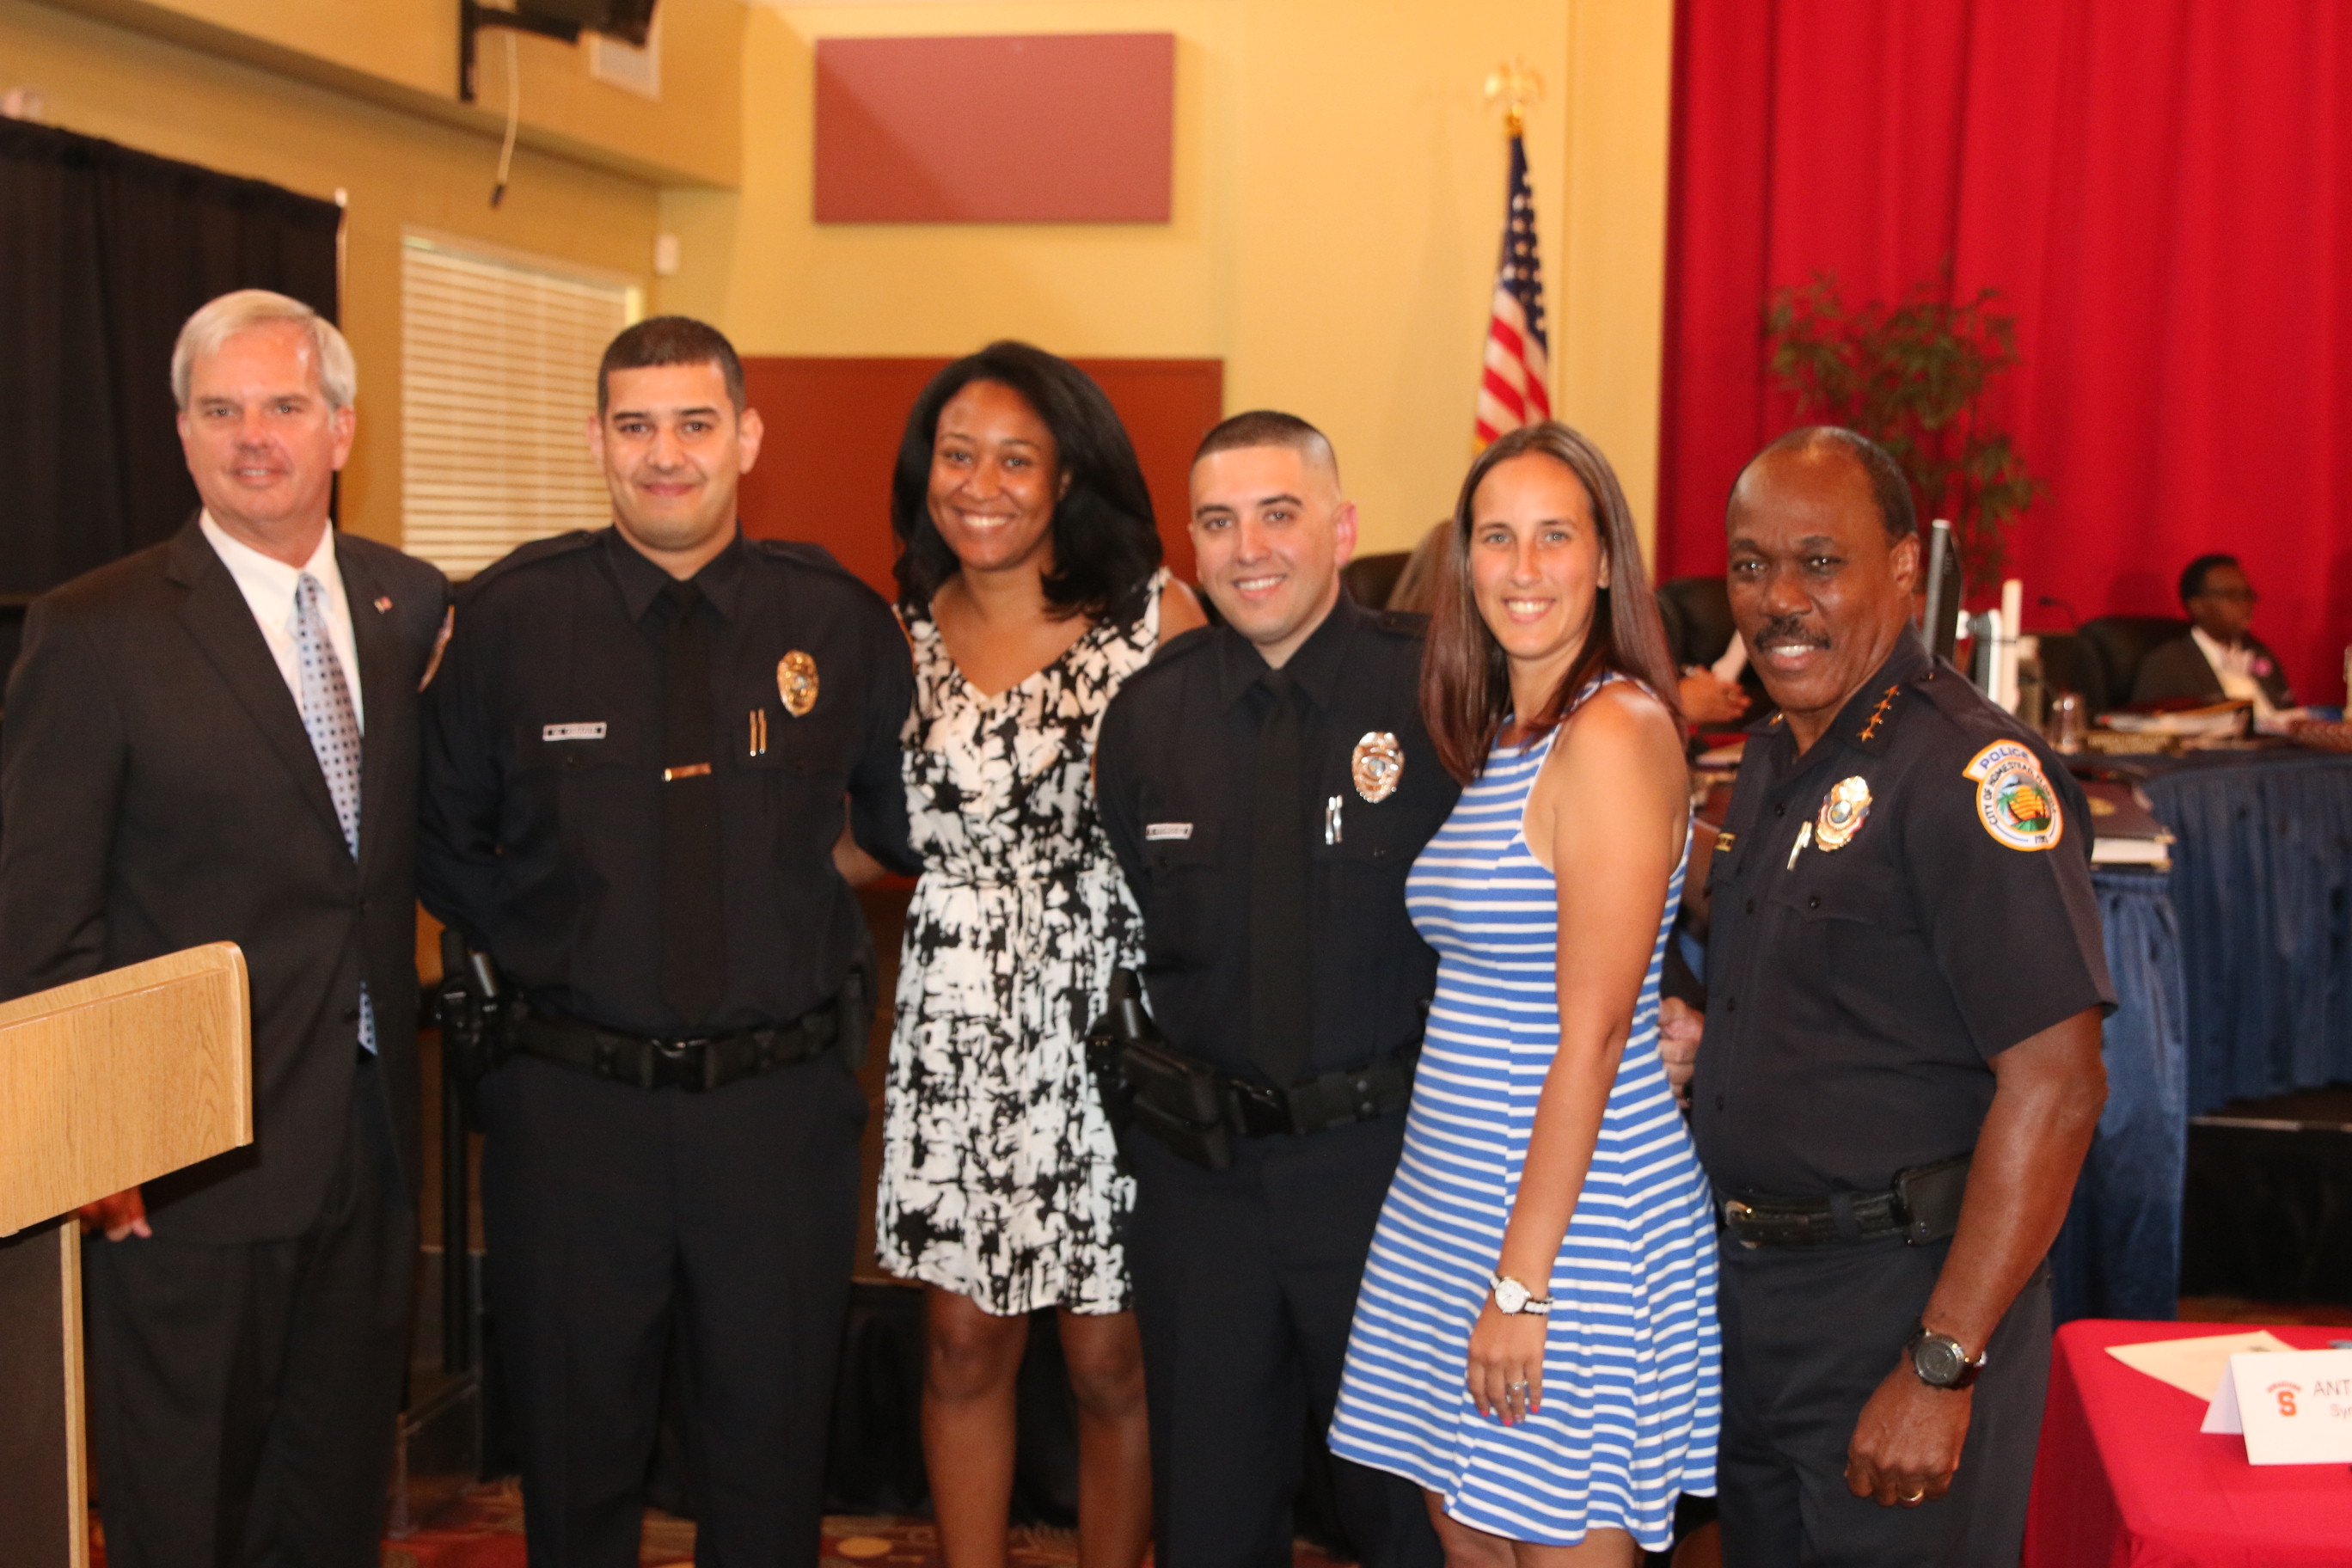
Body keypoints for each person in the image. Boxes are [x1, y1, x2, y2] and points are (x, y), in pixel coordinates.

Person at [419, 316, 918, 1566]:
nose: (665, 456)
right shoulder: (512, 622)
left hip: (778, 1116)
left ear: (746, 436)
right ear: (597, 441)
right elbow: (438, 839)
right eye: (635, 427)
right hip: (573, 1120)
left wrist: (793, 885)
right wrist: (548, 952)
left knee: (768, 1462)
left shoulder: (838, 622)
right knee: (576, 1467)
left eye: (695, 425)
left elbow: (906, 825)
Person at [0, 289, 449, 1567]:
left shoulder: (404, 606)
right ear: (183, 434)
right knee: (183, 1511)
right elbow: (39, 914)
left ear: (343, 427)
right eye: (221, 410)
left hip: (366, 1143)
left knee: (330, 1497)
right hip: (184, 1163)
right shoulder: (93, 631)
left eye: (285, 407)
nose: (255, 436)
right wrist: (94, 1140)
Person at [1692, 426, 2112, 1566]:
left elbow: (2059, 1085)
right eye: (1748, 565)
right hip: (1757, 1308)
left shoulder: (1972, 775)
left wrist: (1943, 1362)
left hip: (1902, 1307)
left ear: (1904, 573)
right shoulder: (1776, 759)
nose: (1779, 599)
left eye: (1819, 562)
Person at [1329, 421, 1720, 1564]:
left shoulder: (1613, 729)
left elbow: (1594, 1038)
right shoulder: (1507, 733)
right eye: (1496, 538)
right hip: (1455, 1203)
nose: (1524, 566)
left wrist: (1523, 1285)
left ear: (1605, 561)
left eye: (1556, 536)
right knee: (1470, 1540)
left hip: (1570, 1229)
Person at [1095, 411, 1455, 1568]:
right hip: (1207, 1186)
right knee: (1209, 1519)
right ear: (1190, 548)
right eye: (1217, 521)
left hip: (1395, 1177)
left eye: (1278, 514)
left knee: (1410, 1519)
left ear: (1343, 529)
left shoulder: (1440, 691)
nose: (1249, 547)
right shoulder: (1149, 716)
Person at [877, 342, 1204, 1568]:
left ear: (1068, 477)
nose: (982, 482)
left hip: (1108, 1021)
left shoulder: (1154, 620)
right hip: (954, 1023)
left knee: (1108, 1357)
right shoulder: (902, 628)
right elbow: (873, 833)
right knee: (964, 1344)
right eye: (958, 454)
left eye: (1017, 457)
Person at [2129, 554, 2299, 716]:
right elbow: (2150, 731)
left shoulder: (2258, 651)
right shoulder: (2166, 664)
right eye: (2232, 595)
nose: (2246, 604)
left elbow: (2287, 712)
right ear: (2197, 605)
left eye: (2247, 594)